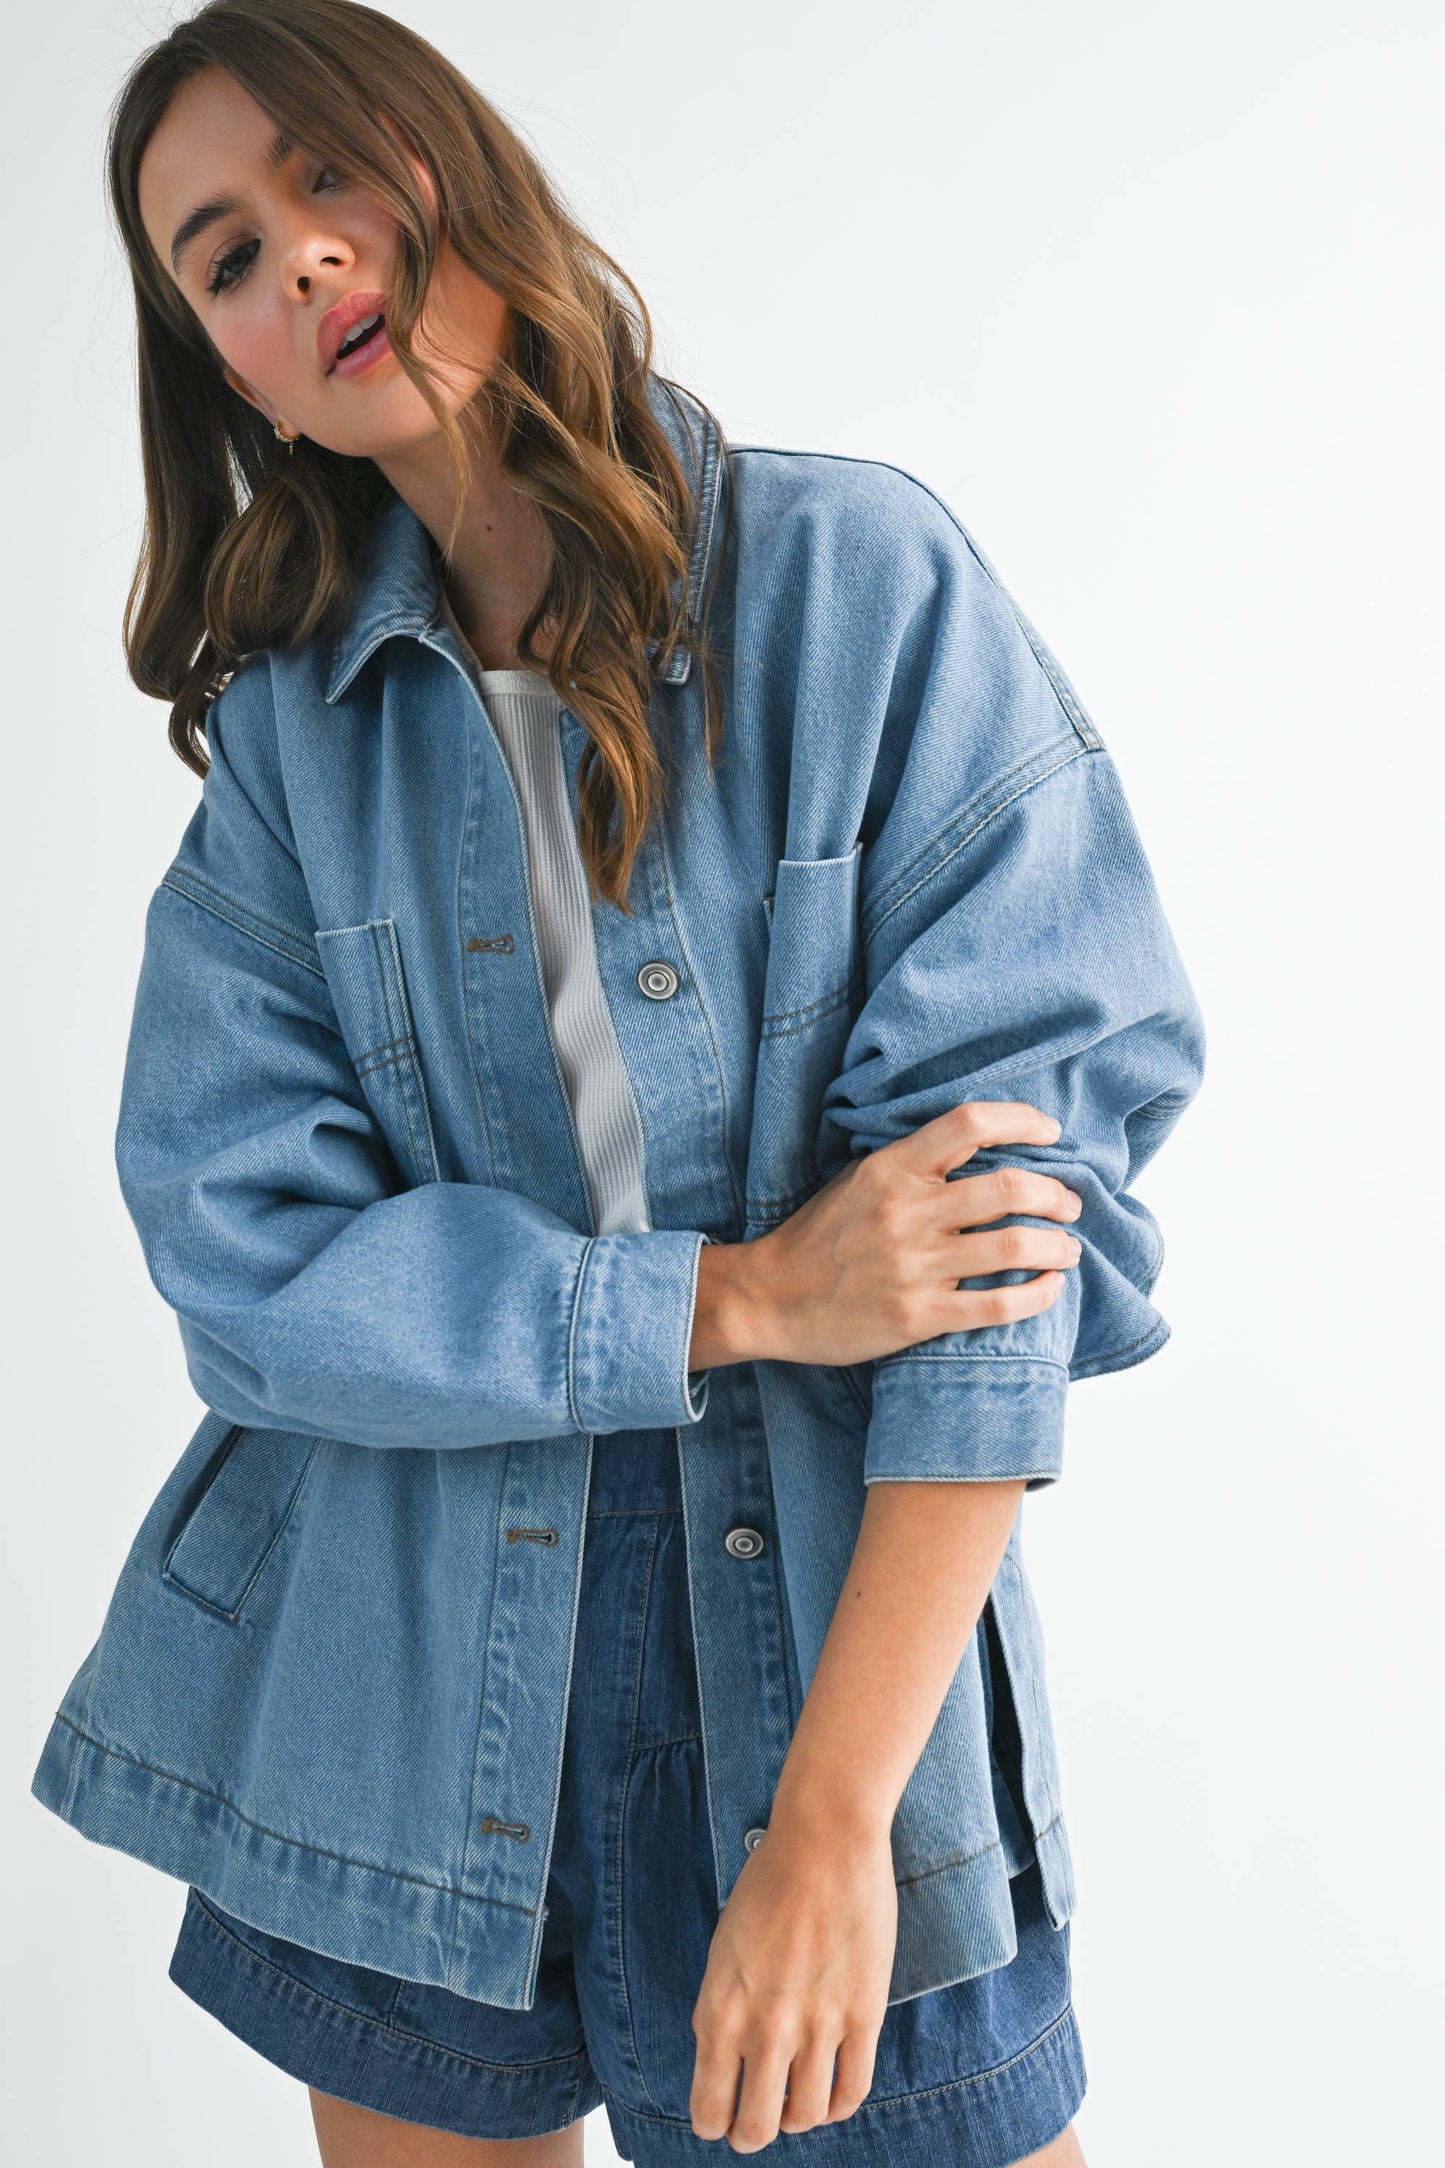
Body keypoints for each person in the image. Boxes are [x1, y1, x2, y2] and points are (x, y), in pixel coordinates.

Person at [29, 2, 1206, 2162]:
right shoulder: (291, 747)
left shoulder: (853, 585)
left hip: (834, 1636)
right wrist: (734, 1296)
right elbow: (243, 1252)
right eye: (224, 256)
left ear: (450, 163)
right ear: (236, 379)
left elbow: (1003, 1237)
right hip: (398, 1663)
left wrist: (835, 1820)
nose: (299, 255)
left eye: (325, 172)